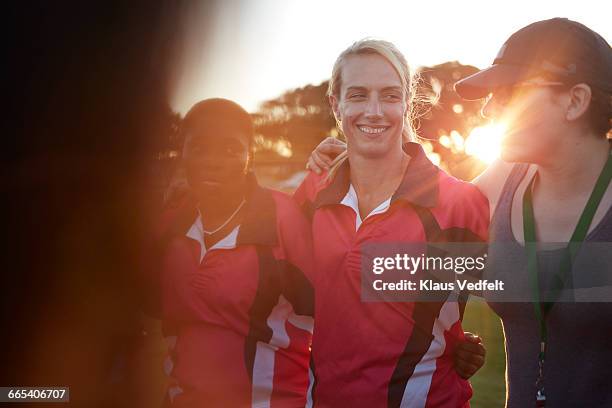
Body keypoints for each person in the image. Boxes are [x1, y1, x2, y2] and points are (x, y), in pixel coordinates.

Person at [309, 18, 612, 408]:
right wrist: (360, 159)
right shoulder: (503, 183)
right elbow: (400, 259)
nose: (488, 110)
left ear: (575, 101)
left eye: (507, 93)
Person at [294, 39, 489, 407]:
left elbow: (525, 287)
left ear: (406, 104)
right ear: (336, 105)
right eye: (357, 95)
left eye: (389, 95)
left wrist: (460, 342)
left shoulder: (460, 203)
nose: (374, 110)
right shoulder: (312, 194)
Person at [154, 98, 315, 407]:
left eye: (230, 149)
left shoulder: (282, 218)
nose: (212, 160)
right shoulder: (170, 222)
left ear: (249, 156)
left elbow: (333, 309)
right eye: (199, 148)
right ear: (181, 153)